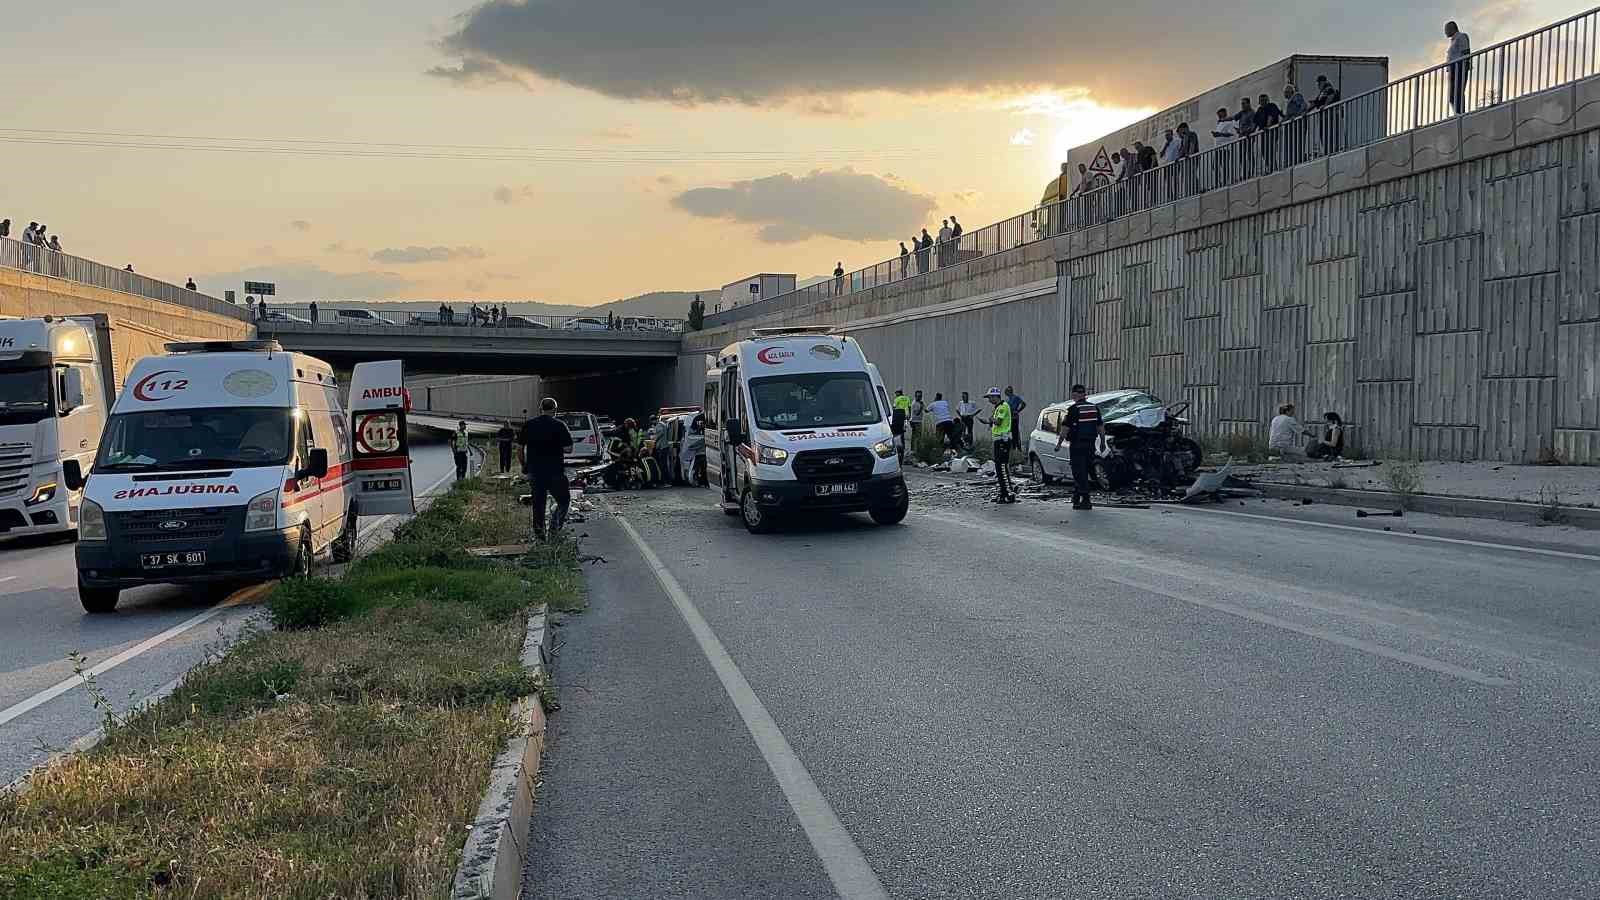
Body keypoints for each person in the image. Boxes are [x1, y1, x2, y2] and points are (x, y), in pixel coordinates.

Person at [518, 398, 574, 540]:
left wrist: (525, 465)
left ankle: (540, 536)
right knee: (563, 501)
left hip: (535, 472)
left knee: (538, 504)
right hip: (555, 471)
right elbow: (569, 449)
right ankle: (554, 530)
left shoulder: (529, 425)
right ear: (555, 409)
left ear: (540, 408)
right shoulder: (559, 425)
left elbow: (519, 449)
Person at [1055, 384, 1105, 510]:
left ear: (1075, 394)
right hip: (1090, 445)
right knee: (1085, 470)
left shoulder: (1073, 409)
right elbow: (1100, 427)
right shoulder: (1094, 408)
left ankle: (1086, 499)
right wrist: (1103, 442)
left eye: (1073, 394)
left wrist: (1059, 444)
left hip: (1077, 445)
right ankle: (1076, 497)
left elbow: (1065, 429)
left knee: (1078, 472)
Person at [978, 388, 1016, 503]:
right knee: (999, 468)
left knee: (1002, 467)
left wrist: (991, 419)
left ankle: (1008, 494)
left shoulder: (1003, 406)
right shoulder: (998, 407)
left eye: (990, 398)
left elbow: (998, 422)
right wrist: (987, 421)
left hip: (1002, 441)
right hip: (998, 440)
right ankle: (1003, 492)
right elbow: (996, 423)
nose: (989, 400)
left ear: (995, 396)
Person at [1445, 21, 1472, 115]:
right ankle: (1458, 113)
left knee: (1458, 92)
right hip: (1453, 69)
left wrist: (1466, 66)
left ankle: (1461, 113)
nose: (1445, 32)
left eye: (1446, 29)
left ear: (1453, 28)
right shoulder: (1453, 41)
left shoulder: (1461, 36)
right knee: (1452, 96)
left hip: (1460, 67)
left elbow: (1466, 52)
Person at [1004, 386, 1026, 453]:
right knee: (1010, 433)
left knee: (1015, 433)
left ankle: (1017, 448)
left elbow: (1023, 404)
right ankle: (1012, 447)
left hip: (1014, 418)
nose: (1006, 393)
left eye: (1006, 391)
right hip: (1009, 418)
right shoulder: (1008, 399)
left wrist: (1018, 411)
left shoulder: (1015, 398)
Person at [891, 390, 911, 461]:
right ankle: (903, 447)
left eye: (896, 393)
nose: (895, 394)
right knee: (902, 433)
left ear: (899, 393)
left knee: (896, 433)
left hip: (898, 416)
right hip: (905, 417)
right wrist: (909, 416)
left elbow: (893, 407)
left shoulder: (897, 399)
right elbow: (909, 407)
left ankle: (897, 448)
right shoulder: (907, 398)